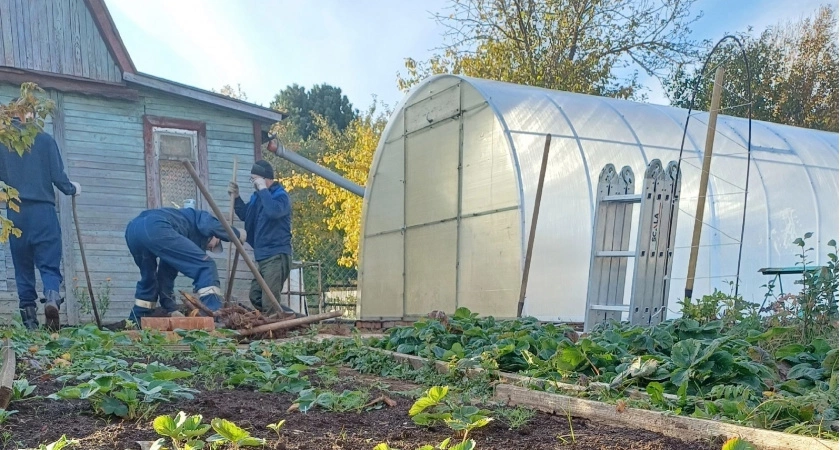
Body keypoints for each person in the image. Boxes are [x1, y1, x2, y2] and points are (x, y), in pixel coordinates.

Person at [0, 119, 80, 331]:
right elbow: (58, 177)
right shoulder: (45, 140)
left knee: (22, 266)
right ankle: (52, 299)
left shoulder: (3, 143)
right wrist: (73, 189)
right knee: (49, 263)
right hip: (43, 212)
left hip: (15, 213)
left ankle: (29, 322)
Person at [124, 207, 245, 325]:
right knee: (206, 266)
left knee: (149, 280)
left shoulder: (180, 231)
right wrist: (237, 234)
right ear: (215, 235)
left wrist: (171, 309)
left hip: (132, 230)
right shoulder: (200, 217)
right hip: (155, 226)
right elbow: (211, 225)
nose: (210, 248)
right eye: (215, 244)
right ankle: (214, 316)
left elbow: (166, 277)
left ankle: (136, 321)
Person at [227, 158, 296, 317]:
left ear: (266, 179)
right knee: (256, 296)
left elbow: (273, 212)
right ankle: (289, 316)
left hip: (276, 255)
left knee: (269, 302)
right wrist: (236, 198)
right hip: (262, 256)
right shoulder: (257, 197)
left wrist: (263, 189)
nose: (253, 183)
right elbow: (246, 215)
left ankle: (277, 331)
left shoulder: (281, 196)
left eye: (255, 179)